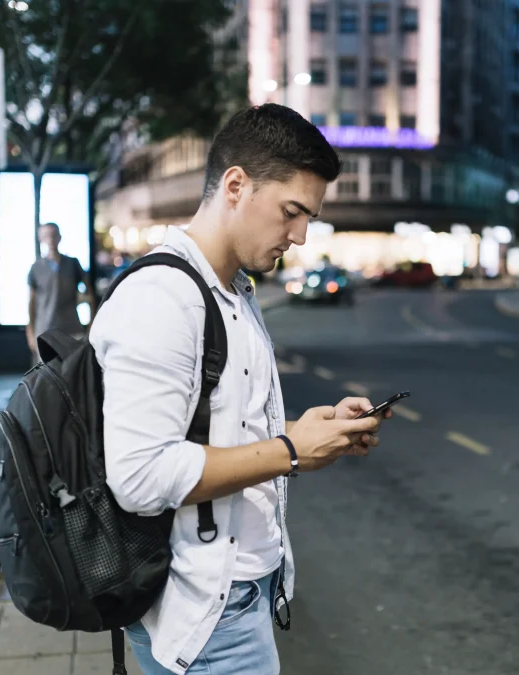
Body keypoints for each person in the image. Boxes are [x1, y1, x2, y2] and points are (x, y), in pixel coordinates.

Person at [89, 103, 390, 675]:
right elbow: (139, 476)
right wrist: (291, 451)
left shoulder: (231, 291)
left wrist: (304, 432)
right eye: (291, 212)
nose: (300, 236)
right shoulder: (162, 298)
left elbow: (219, 427)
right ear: (235, 186)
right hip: (205, 616)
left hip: (235, 598)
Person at [25, 222, 95, 359]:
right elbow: (31, 303)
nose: (51, 240)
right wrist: (30, 332)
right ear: (41, 239)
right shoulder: (36, 268)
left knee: (73, 372)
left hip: (72, 328)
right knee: (48, 373)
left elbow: (89, 294)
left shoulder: (72, 263)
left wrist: (91, 323)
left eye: (54, 235)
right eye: (47, 236)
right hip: (45, 330)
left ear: (59, 237)